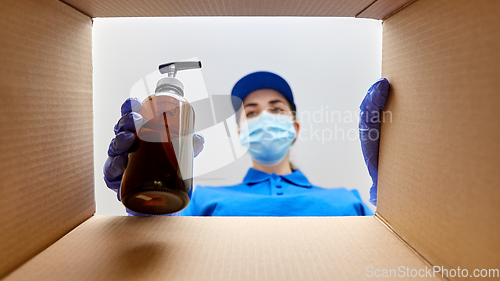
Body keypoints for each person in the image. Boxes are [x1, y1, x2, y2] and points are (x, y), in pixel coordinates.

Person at [104, 71, 390, 216]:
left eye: (276, 109)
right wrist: (147, 204)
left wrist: (393, 196)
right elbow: (160, 250)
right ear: (240, 132)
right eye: (251, 112)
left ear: (295, 127)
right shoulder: (198, 200)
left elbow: (393, 249)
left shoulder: (349, 201)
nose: (263, 117)